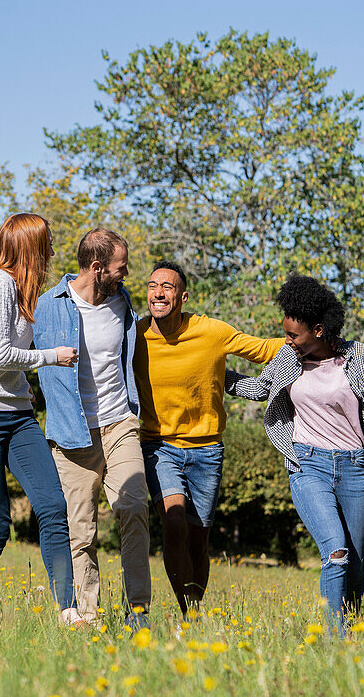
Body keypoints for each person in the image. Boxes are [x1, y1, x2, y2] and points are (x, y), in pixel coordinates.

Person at [225, 275, 364, 634]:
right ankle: (336, 641)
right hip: (307, 464)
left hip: (353, 467)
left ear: (318, 329)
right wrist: (215, 373)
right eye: (286, 334)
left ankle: (351, 634)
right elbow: (259, 388)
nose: (286, 341)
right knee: (336, 551)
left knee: (355, 564)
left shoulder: (357, 355)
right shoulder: (289, 358)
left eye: (293, 335)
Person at [0, 213, 83, 624]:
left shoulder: (18, 292)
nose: (53, 252)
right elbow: (0, 356)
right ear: (30, 246)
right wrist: (51, 357)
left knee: (52, 506)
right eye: (47, 244)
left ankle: (68, 610)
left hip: (18, 417)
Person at [135, 260, 283, 620]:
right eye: (153, 286)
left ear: (183, 297)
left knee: (198, 539)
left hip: (207, 449)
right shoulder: (135, 337)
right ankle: (188, 610)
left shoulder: (212, 332)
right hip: (158, 446)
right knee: (173, 521)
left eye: (168, 287)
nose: (159, 292)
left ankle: (193, 614)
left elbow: (266, 349)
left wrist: (322, 341)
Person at [33, 229, 151, 629]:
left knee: (134, 507)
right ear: (98, 268)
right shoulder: (47, 306)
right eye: (121, 267)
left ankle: (138, 613)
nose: (126, 274)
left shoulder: (123, 303)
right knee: (80, 529)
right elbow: (13, 349)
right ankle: (86, 617)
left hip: (119, 423)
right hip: (71, 432)